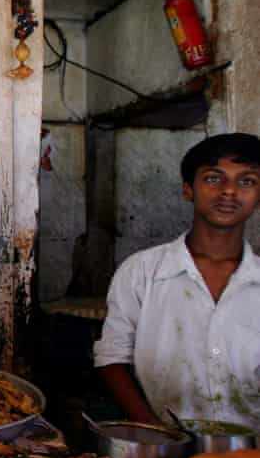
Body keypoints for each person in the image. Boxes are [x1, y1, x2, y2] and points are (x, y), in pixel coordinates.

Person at [94, 133, 260, 428]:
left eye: (246, 181)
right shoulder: (141, 272)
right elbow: (112, 358)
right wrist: (156, 433)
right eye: (213, 179)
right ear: (188, 190)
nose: (229, 191)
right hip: (166, 444)